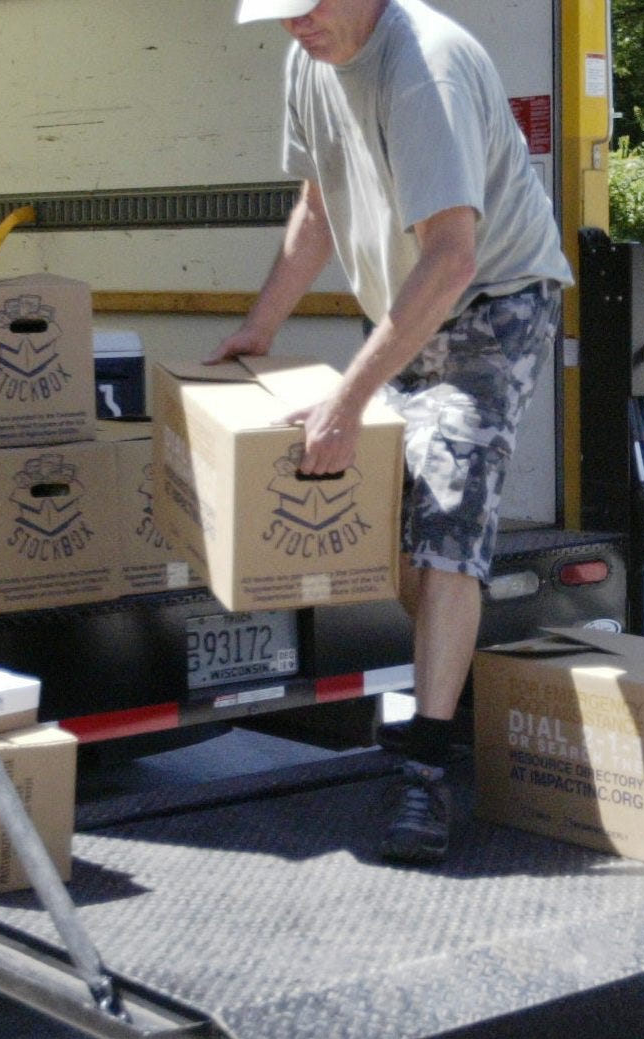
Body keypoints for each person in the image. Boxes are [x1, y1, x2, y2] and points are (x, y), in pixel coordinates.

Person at [212, 0, 572, 865]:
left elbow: (451, 257)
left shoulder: (426, 69)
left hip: (491, 305)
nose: (293, 25)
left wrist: (345, 400)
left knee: (447, 525)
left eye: (306, 7)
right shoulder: (312, 57)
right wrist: (259, 328)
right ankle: (472, 695)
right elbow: (318, 203)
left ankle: (426, 768)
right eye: (279, 13)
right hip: (414, 310)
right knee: (406, 545)